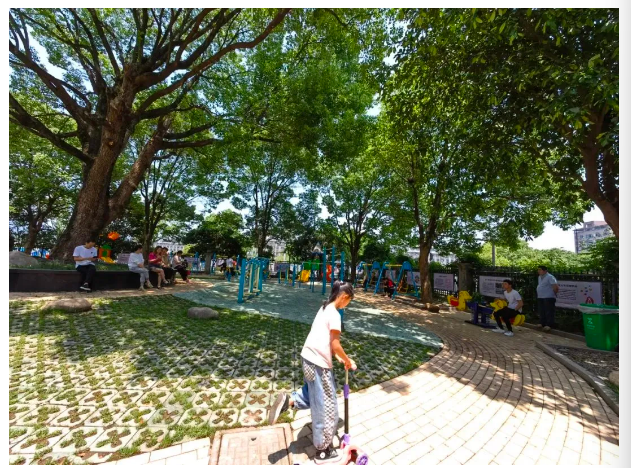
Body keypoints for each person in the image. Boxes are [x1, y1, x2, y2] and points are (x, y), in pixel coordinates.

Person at [268, 281, 357, 464]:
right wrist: (348, 360)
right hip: (319, 364)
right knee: (327, 406)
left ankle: (289, 401)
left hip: (307, 358)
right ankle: (323, 450)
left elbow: (325, 340)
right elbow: (335, 344)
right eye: (349, 301)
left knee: (313, 394)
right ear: (343, 297)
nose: (347, 305)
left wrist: (339, 358)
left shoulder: (324, 308)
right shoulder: (335, 314)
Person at [537, 265, 559, 332]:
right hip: (541, 296)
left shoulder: (550, 277)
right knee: (542, 310)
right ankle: (542, 323)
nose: (538, 271)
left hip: (548, 297)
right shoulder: (539, 277)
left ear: (545, 271)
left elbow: (555, 287)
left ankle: (549, 325)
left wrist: (553, 294)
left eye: (540, 270)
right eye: (538, 270)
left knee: (549, 311)